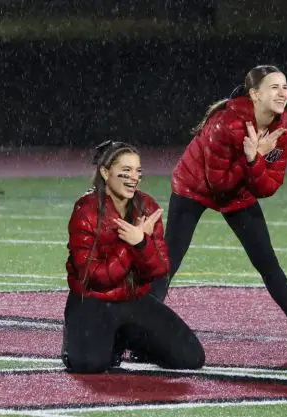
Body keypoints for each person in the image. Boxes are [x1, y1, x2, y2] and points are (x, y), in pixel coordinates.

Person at [148, 65, 287, 356]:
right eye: (274, 87)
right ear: (254, 94)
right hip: (194, 186)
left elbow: (268, 186)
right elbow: (218, 185)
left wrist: (255, 160)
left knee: (268, 263)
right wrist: (252, 157)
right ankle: (140, 331)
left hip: (237, 188)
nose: (282, 93)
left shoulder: (283, 129)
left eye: (285, 87)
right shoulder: (225, 124)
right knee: (169, 262)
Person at [61, 140, 206, 374]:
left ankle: (126, 335)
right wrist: (130, 246)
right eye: (125, 171)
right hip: (93, 301)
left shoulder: (147, 206)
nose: (134, 177)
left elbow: (159, 269)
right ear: (105, 172)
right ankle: (78, 335)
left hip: (133, 299)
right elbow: (94, 276)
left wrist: (141, 243)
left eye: (138, 171)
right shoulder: (85, 211)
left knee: (191, 358)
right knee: (89, 365)